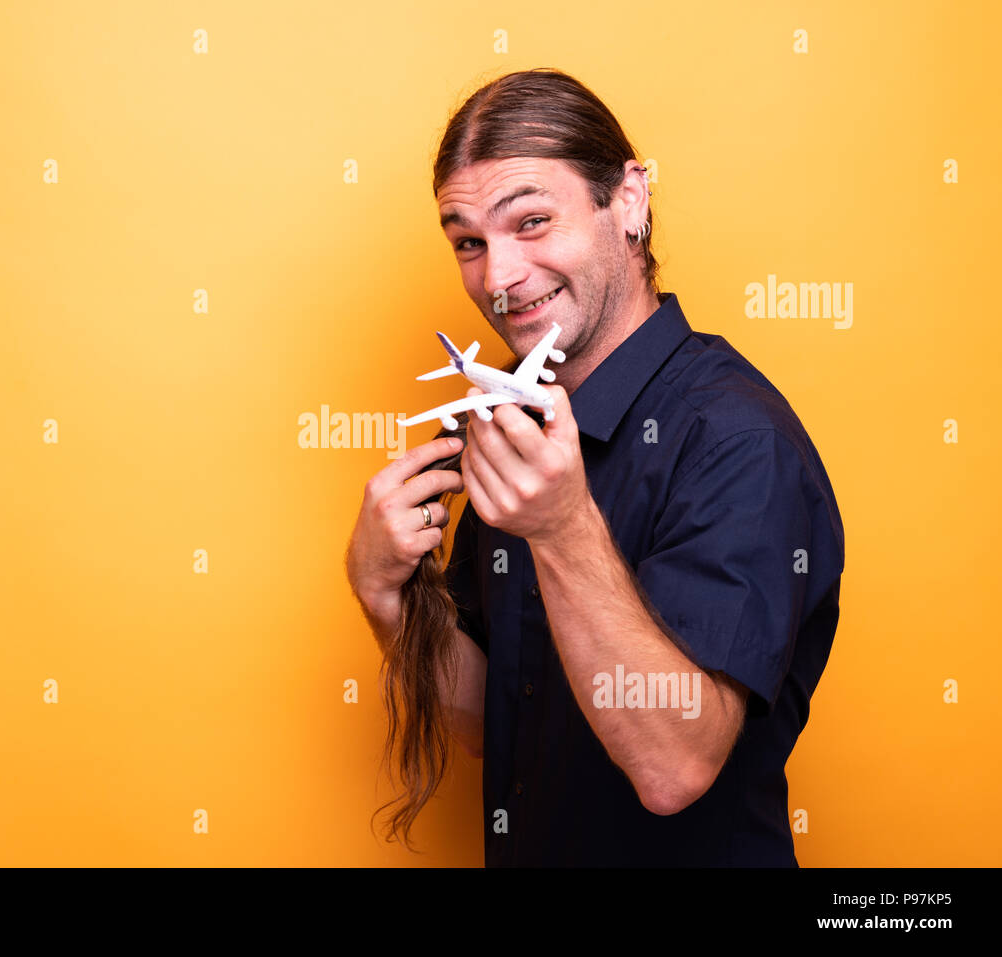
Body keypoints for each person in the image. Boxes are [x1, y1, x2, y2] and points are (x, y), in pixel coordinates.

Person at [345, 68, 844, 866]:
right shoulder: (521, 427)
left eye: (532, 220)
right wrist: (385, 594)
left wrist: (564, 526)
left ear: (630, 202)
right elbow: (492, 720)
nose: (498, 280)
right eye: (469, 242)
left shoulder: (737, 440)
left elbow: (675, 767)